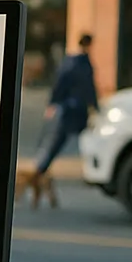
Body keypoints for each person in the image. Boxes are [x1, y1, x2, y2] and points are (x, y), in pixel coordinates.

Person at [37, 32, 100, 175]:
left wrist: (53, 103)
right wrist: (94, 106)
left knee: (61, 139)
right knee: (59, 139)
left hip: (73, 107)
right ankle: (41, 168)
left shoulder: (74, 61)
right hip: (73, 107)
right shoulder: (80, 63)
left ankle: (42, 168)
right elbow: (87, 87)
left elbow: (60, 84)